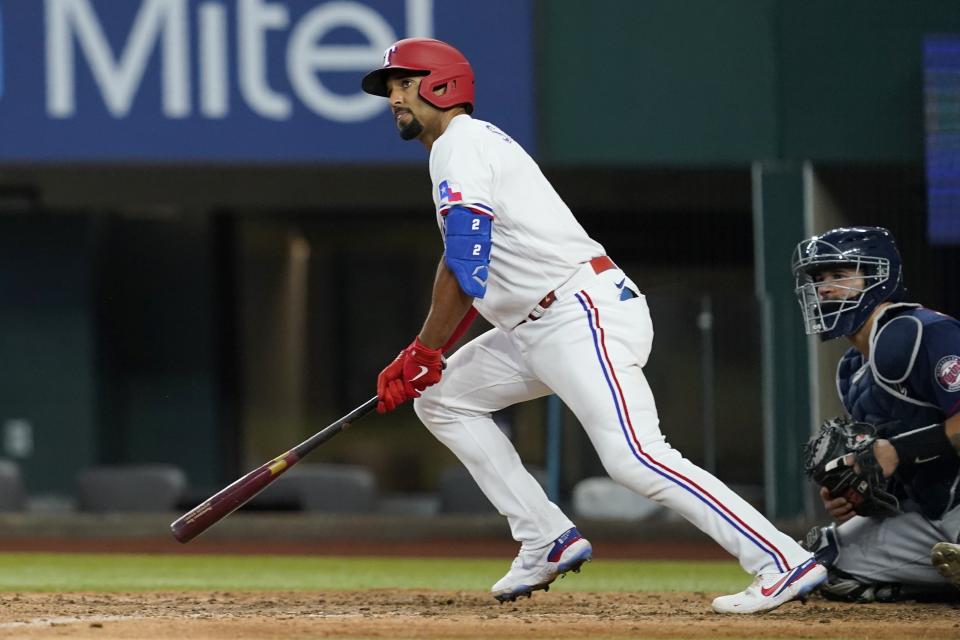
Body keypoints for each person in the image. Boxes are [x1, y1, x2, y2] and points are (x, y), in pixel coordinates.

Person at [361, 37, 825, 613]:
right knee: (444, 401)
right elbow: (464, 262)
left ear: (441, 85)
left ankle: (780, 559)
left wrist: (425, 348)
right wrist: (425, 354)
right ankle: (544, 538)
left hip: (580, 313)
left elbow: (465, 263)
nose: (393, 98)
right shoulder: (454, 151)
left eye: (403, 83)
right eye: (390, 88)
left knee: (635, 457)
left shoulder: (462, 144)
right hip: (532, 326)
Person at [791, 226, 960, 601]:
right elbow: (904, 461)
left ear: (880, 277)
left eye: (839, 275)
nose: (825, 288)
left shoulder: (922, 332)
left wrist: (897, 451)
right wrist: (860, 490)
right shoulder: (851, 371)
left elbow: (905, 447)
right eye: (818, 279)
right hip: (935, 513)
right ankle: (942, 584)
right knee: (821, 569)